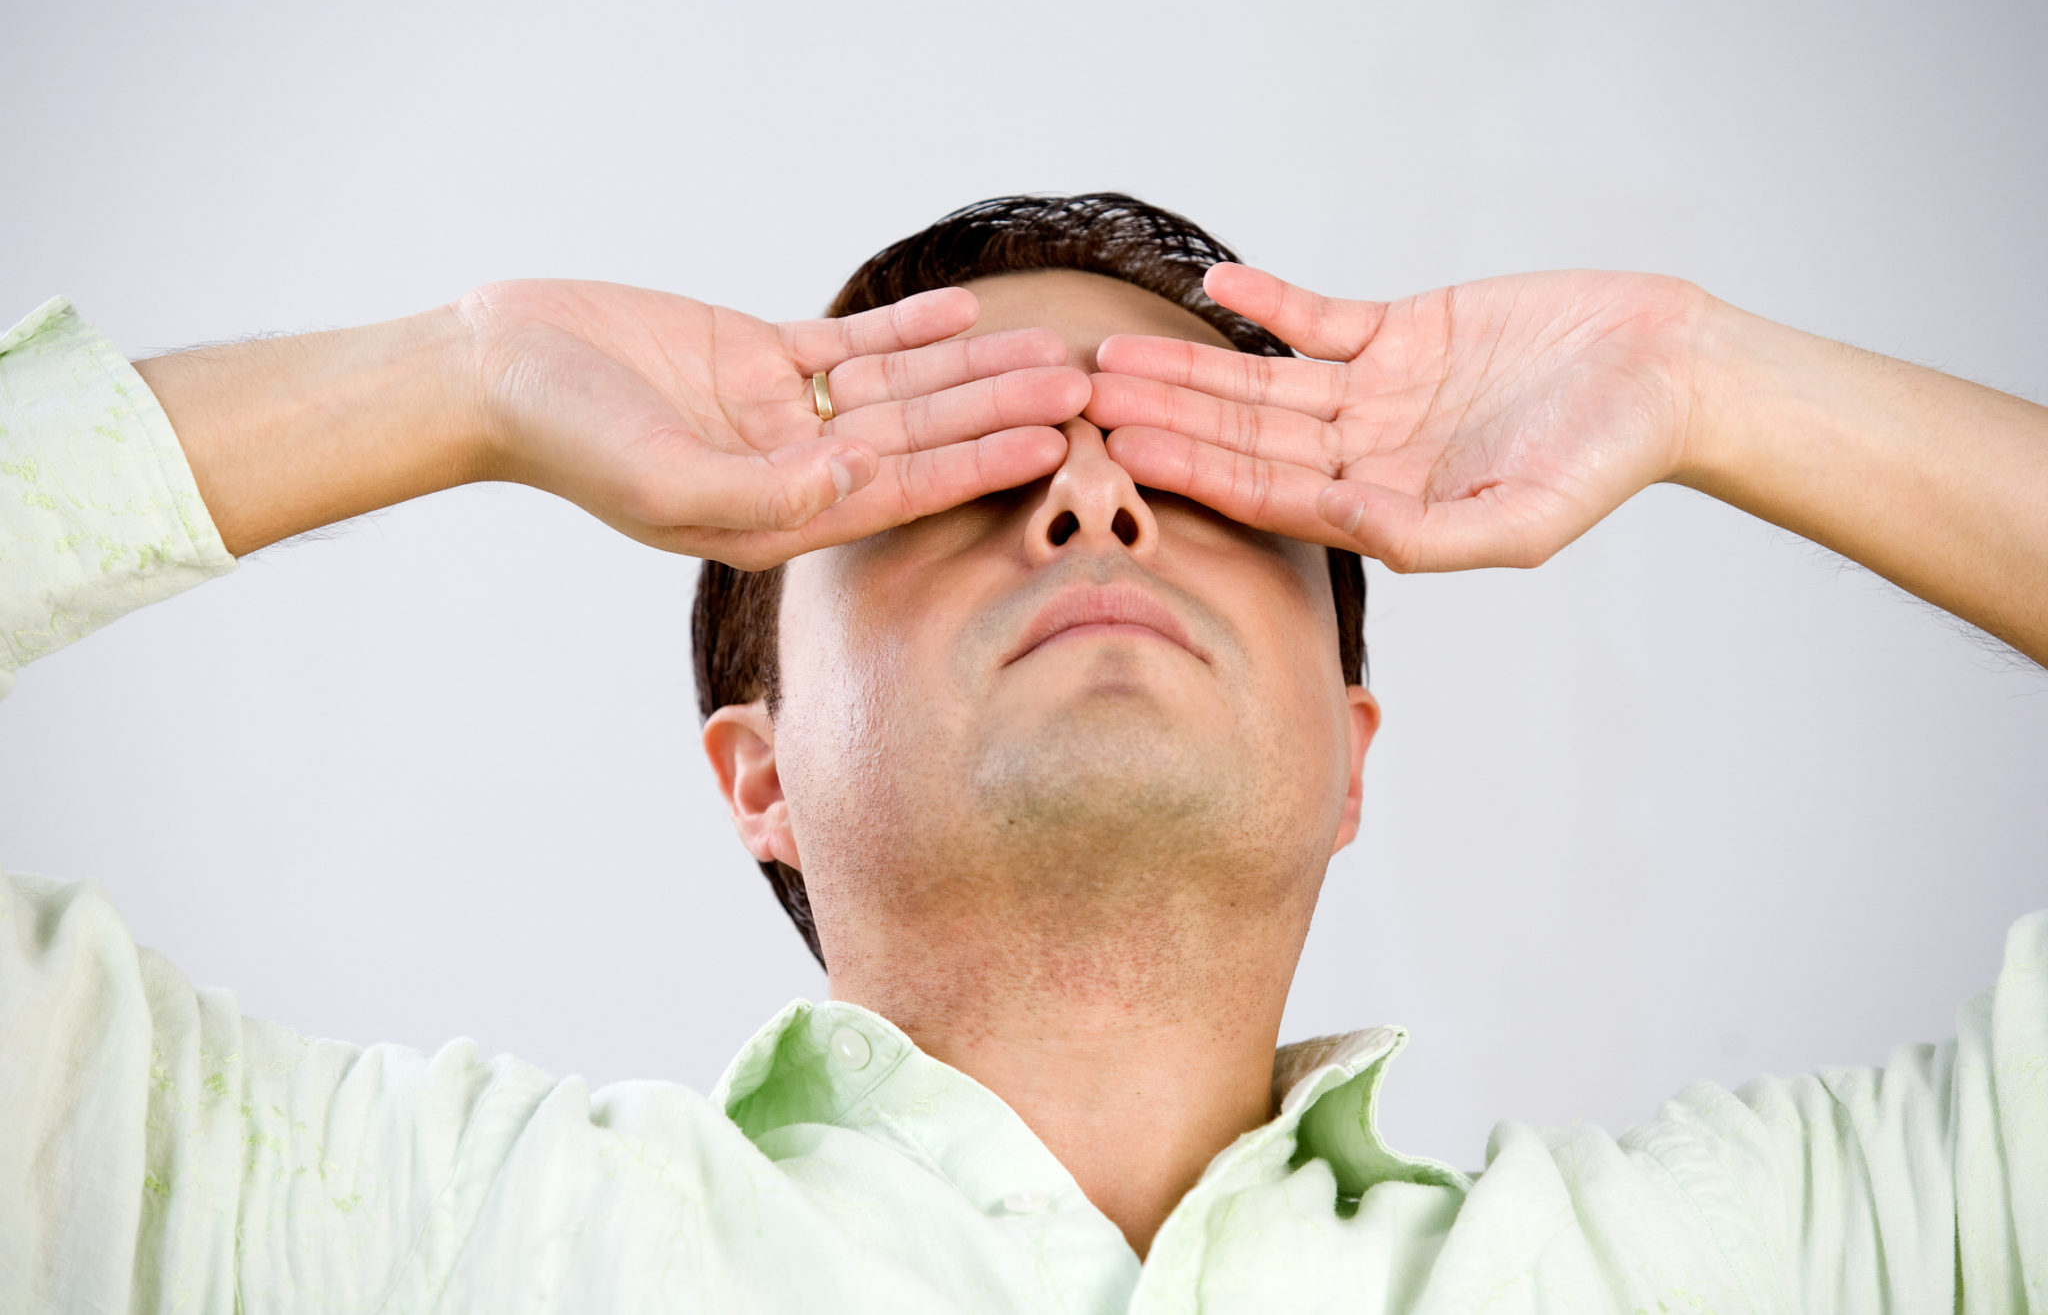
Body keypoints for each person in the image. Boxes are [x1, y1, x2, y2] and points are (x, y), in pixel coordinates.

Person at [1, 193, 2042, 1313]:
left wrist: (1705, 380)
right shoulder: (390, 1238)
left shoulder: (1743, 1267)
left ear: (1350, 755)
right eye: (945, 471)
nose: (1091, 500)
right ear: (758, 773)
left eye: (1207, 471)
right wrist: (456, 379)